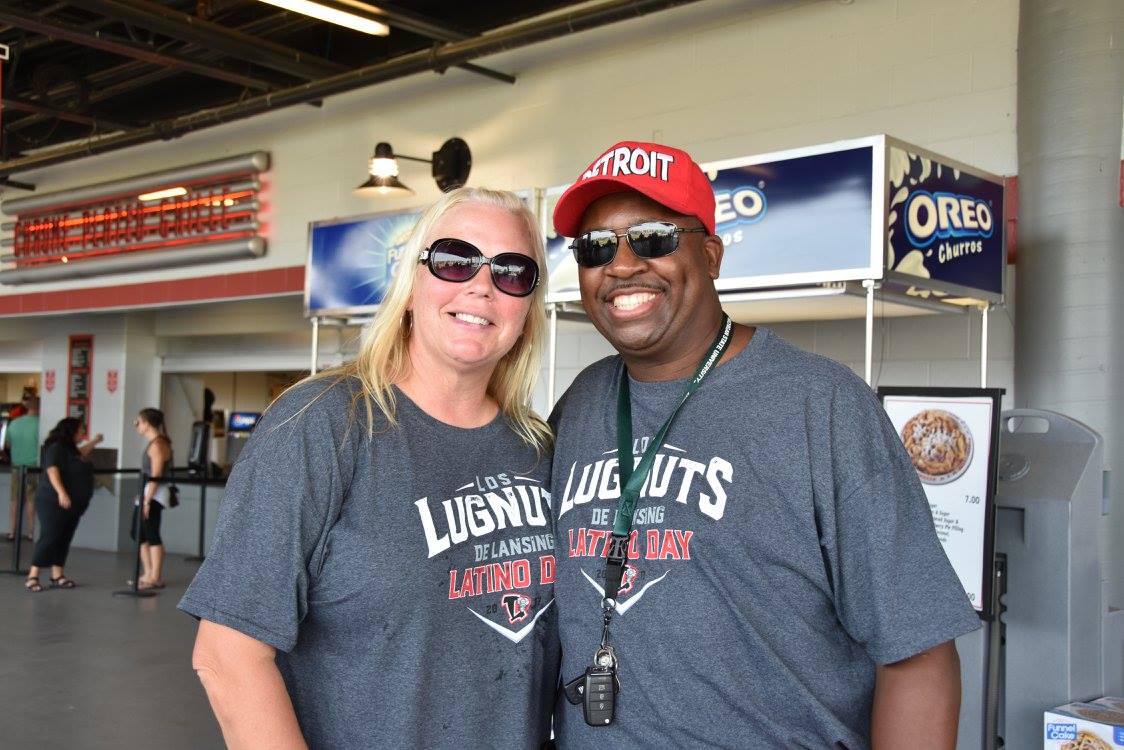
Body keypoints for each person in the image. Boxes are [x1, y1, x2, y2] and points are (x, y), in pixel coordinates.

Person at [547, 141, 981, 749]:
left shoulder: (823, 406)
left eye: (653, 238)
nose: (621, 265)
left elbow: (918, 655)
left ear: (712, 254)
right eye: (596, 248)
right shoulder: (583, 403)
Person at [180, 187, 559, 749]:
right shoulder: (322, 422)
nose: (481, 285)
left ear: (527, 306)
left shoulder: (538, 448)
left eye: (512, 271)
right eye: (455, 260)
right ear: (411, 284)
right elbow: (228, 653)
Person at [26, 417, 103, 592]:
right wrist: (61, 492)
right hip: (53, 501)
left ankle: (57, 574)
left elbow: (82, 452)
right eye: (81, 429)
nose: (83, 432)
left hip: (73, 503)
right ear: (72, 431)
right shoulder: (56, 448)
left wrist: (96, 441)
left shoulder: (71, 450)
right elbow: (52, 470)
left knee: (64, 538)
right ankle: (33, 575)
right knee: (50, 536)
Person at [132, 408, 173, 590]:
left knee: (151, 533)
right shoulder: (154, 443)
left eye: (138, 422)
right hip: (147, 493)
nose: (137, 425)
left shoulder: (158, 445)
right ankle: (147, 573)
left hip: (154, 495)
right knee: (138, 533)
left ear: (147, 423)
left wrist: (147, 500)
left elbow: (156, 475)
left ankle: (155, 576)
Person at [6, 396, 39, 541]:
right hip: (33, 468)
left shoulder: (14, 423)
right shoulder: (40, 424)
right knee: (31, 500)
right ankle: (32, 533)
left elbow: (7, 444)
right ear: (38, 407)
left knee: (14, 500)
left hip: (16, 467)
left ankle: (12, 532)